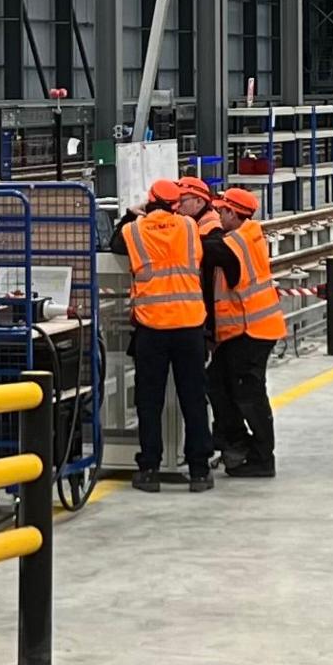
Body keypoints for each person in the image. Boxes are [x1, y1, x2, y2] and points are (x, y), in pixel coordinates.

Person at [116, 177, 218, 490]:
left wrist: (134, 214)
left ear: (149, 200)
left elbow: (114, 244)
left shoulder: (133, 230)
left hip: (152, 327)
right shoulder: (188, 227)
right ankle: (199, 470)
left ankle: (149, 470)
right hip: (189, 325)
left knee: (150, 401)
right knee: (193, 399)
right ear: (176, 204)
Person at [206, 186, 284, 478]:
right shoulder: (249, 234)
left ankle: (262, 457)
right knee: (216, 382)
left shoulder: (234, 244)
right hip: (245, 329)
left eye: (221, 211)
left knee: (249, 395)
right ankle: (237, 441)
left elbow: (204, 250)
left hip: (252, 330)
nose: (217, 215)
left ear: (232, 213)